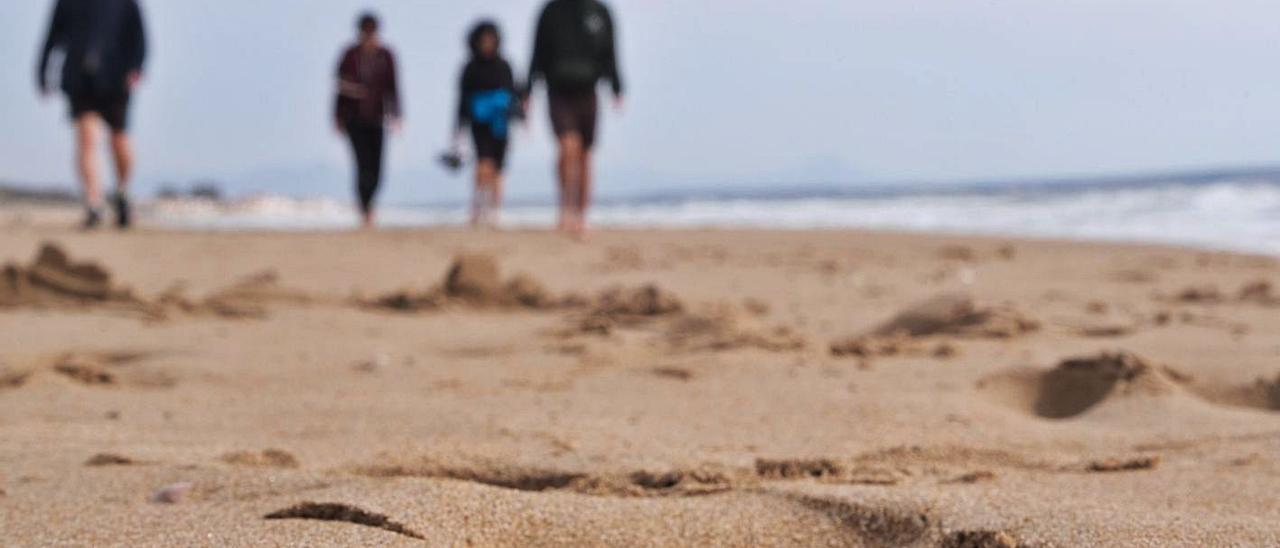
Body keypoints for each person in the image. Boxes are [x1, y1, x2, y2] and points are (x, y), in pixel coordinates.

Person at [37, 0, 147, 230]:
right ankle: (94, 203)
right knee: (86, 137)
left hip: (115, 77)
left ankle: (122, 193)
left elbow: (139, 36)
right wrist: (42, 73)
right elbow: (51, 37)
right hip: (79, 77)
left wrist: (136, 68)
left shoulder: (125, 3)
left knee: (118, 138)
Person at [524, 0, 625, 238]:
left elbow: (610, 51)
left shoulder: (599, 12)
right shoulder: (550, 11)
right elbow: (537, 51)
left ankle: (582, 215)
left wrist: (617, 86)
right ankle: (565, 209)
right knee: (568, 146)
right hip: (558, 89)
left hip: (588, 89)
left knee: (586, 154)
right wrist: (527, 88)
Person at [335, 12, 401, 229]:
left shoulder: (386, 56)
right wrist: (338, 116)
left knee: (377, 167)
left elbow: (393, 87)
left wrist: (397, 114)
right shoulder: (350, 55)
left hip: (377, 117)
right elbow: (340, 88)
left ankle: (368, 203)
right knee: (362, 164)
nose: (369, 35)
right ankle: (366, 209)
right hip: (354, 119)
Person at [453, 21, 520, 229]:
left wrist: (521, 117)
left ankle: (494, 210)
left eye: (491, 39)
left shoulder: (504, 65)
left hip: (500, 122)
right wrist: (458, 127)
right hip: (479, 122)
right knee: (483, 163)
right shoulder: (470, 68)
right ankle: (478, 206)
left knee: (498, 167)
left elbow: (513, 94)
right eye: (484, 40)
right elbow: (462, 99)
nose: (487, 44)